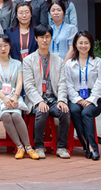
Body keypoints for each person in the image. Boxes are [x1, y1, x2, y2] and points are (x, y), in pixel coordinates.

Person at [0, 33, 39, 160]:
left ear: (10, 46)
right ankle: (19, 147)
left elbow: (19, 83)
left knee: (15, 115)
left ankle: (29, 147)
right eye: (0, 46)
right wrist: (4, 99)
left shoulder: (17, 63)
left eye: (5, 45)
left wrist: (15, 97)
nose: (3, 48)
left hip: (14, 97)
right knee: (6, 115)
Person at [22, 24, 71, 159]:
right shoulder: (28, 60)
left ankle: (61, 147)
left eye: (47, 37)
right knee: (42, 111)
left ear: (51, 38)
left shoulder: (58, 61)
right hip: (36, 99)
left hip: (54, 99)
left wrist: (62, 100)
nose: (44, 40)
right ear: (36, 38)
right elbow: (29, 85)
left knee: (65, 112)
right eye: (41, 37)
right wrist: (39, 101)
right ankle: (39, 146)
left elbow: (62, 83)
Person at [66, 31, 101, 161]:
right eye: (80, 43)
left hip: (93, 97)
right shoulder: (69, 64)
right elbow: (68, 84)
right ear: (75, 45)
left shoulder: (98, 62)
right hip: (75, 97)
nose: (83, 46)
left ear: (91, 44)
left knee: (86, 113)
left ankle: (92, 148)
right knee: (74, 111)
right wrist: (78, 99)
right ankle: (88, 147)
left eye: (86, 43)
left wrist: (91, 99)